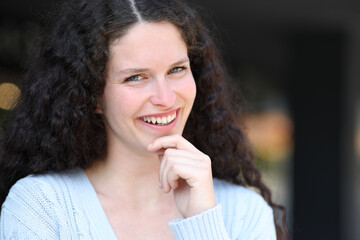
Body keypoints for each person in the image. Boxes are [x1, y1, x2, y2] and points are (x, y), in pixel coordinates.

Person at [0, 0, 288, 239]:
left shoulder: (245, 212)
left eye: (177, 69)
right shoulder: (40, 206)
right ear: (93, 95)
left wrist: (204, 222)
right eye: (136, 77)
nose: (165, 98)